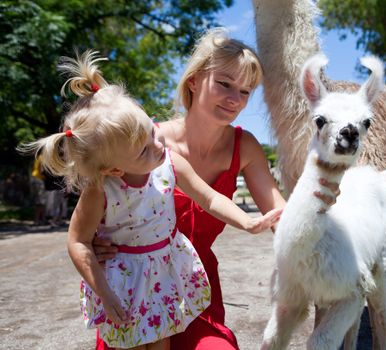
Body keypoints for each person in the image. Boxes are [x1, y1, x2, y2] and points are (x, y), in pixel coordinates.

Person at [94, 28, 339, 350]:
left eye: (245, 91)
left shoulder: (245, 146)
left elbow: (278, 213)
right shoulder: (144, 143)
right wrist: (95, 241)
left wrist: (317, 224)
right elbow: (97, 204)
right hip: (137, 291)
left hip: (195, 291)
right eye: (224, 83)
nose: (235, 99)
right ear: (193, 80)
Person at [19, 50, 281, 350]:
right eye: (224, 83)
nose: (158, 144)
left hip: (173, 281)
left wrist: (248, 221)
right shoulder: (113, 171)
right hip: (124, 289)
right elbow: (78, 239)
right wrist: (100, 278)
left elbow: (211, 198)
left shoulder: (166, 158)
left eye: (246, 90)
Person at [30, 154, 47, 225]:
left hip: (35, 177)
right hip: (39, 179)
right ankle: (38, 220)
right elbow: (42, 169)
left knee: (39, 200)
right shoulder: (43, 157)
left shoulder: (39, 156)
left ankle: (41, 219)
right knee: (41, 201)